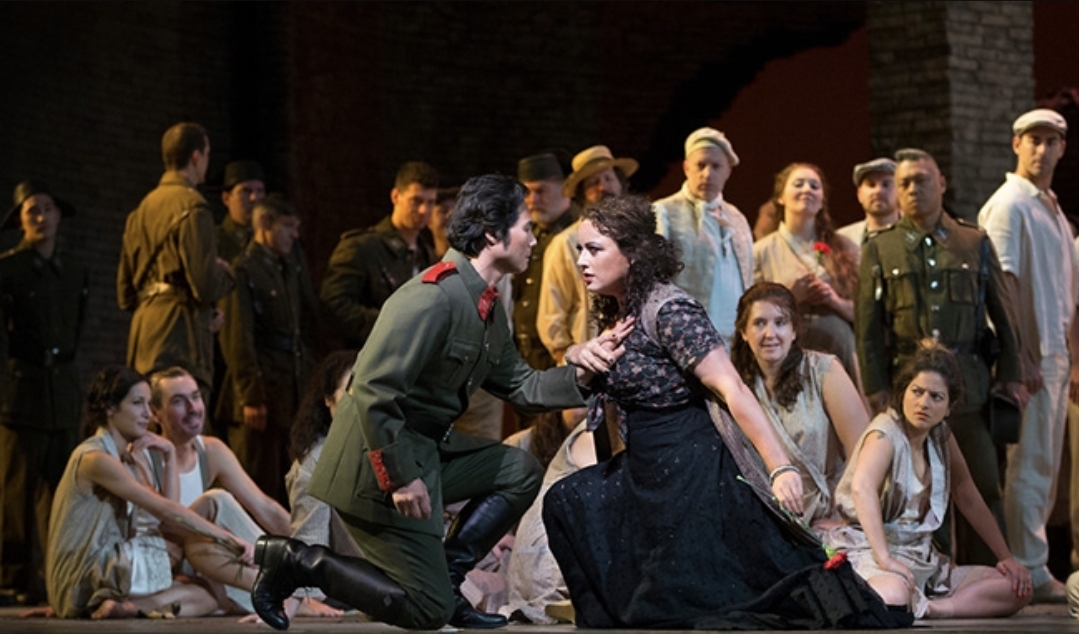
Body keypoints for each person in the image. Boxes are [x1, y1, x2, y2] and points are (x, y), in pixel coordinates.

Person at [250, 174, 612, 631]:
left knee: (518, 469)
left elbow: (522, 386)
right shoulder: (430, 296)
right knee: (427, 611)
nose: (534, 239)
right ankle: (296, 561)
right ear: (492, 235)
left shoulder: (485, 307)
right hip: (376, 466)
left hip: (426, 451)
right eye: (526, 228)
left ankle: (450, 579)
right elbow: (373, 390)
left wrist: (586, 370)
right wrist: (400, 477)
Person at [541, 195, 907, 629]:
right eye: (580, 249)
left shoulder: (670, 310)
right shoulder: (618, 310)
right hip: (646, 467)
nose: (581, 260)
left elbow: (733, 388)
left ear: (634, 253)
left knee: (722, 597)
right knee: (566, 501)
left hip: (691, 470)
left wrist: (779, 467)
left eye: (594, 249)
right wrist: (578, 353)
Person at [859, 147, 1024, 568]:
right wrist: (876, 387)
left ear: (942, 184)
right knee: (919, 491)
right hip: (908, 391)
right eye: (905, 183)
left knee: (983, 483)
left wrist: (1011, 373)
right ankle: (931, 574)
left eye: (922, 180)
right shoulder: (881, 247)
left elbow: (1003, 313)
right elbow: (868, 328)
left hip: (966, 388)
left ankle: (994, 573)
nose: (914, 189)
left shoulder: (973, 241)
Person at [825, 342, 1032, 619]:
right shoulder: (884, 433)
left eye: (936, 397)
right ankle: (910, 600)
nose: (923, 403)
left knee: (1017, 588)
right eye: (917, 392)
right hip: (872, 551)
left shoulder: (941, 435)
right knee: (892, 595)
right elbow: (862, 487)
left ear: (948, 407)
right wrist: (885, 558)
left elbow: (966, 493)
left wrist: (1006, 557)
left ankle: (935, 608)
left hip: (920, 557)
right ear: (903, 391)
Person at [45, 365, 255, 619]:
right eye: (137, 403)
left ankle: (129, 608)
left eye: (148, 404)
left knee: (212, 594)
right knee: (191, 531)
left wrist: (169, 455)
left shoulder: (125, 456)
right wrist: (229, 539)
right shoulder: (96, 458)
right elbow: (168, 513)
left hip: (99, 573)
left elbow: (168, 510)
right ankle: (279, 585)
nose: (147, 413)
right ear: (110, 408)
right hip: (83, 578)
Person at [978, 108, 1078, 602]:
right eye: (1033, 140)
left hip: (1054, 355)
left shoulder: (1049, 206)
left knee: (1045, 465)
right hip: (1032, 358)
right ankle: (1030, 570)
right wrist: (1020, 358)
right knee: (1030, 466)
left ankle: (1036, 565)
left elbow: (1064, 292)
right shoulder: (1010, 204)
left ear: (1062, 147)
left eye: (1050, 141)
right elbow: (1004, 284)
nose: (1042, 149)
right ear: (1016, 144)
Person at [0, 181, 89, 606]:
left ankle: (55, 575)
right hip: (21, 391)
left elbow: (77, 329)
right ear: (20, 220)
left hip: (62, 392)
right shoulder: (8, 269)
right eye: (32, 210)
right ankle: (12, 577)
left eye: (47, 208)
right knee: (16, 491)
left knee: (61, 492)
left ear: (58, 216)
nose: (41, 217)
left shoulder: (73, 271)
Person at [730, 281, 869, 525]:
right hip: (767, 518)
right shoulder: (738, 387)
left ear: (794, 330)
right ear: (743, 332)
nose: (770, 334)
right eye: (759, 323)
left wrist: (842, 517)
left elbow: (865, 455)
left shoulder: (824, 370)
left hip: (831, 516)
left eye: (780, 322)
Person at [117, 122, 235, 399]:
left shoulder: (140, 211)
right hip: (181, 337)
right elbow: (204, 286)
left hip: (144, 337)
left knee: (148, 417)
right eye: (207, 154)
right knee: (186, 417)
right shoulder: (193, 207)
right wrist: (226, 274)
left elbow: (125, 294)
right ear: (196, 157)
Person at [217, 194, 319, 505]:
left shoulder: (287, 269)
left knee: (285, 481)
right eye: (287, 226)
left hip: (288, 387)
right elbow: (238, 336)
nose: (294, 235)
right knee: (257, 478)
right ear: (264, 223)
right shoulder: (245, 269)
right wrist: (251, 394)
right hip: (263, 386)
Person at [753, 163, 861, 393]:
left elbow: (864, 311)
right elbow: (749, 313)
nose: (807, 190)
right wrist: (790, 297)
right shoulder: (761, 251)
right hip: (786, 355)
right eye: (798, 184)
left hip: (838, 350)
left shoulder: (844, 248)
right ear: (781, 197)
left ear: (822, 200)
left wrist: (834, 301)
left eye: (814, 186)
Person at [319, 160, 439, 349]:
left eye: (430, 202)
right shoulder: (361, 247)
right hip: (370, 355)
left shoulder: (428, 257)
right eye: (416, 201)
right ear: (396, 196)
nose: (424, 210)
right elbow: (334, 306)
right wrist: (393, 325)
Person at [537, 145, 636, 364]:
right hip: (589, 357)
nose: (603, 187)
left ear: (620, 183)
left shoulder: (639, 237)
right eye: (593, 183)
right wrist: (569, 363)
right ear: (582, 194)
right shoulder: (565, 243)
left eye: (609, 178)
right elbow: (552, 312)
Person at [654, 127, 753, 342]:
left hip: (735, 337)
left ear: (728, 171)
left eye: (716, 166)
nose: (707, 174)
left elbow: (748, 278)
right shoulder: (665, 212)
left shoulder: (737, 218)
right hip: (686, 336)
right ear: (686, 167)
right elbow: (653, 280)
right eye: (701, 165)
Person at [285, 350, 362, 560]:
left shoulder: (396, 446)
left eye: (367, 391)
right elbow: (311, 550)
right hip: (362, 576)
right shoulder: (316, 465)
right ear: (329, 399)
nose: (359, 402)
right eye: (350, 393)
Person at [513, 151, 577, 370]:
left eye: (541, 191)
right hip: (525, 356)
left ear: (565, 189)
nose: (532, 200)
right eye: (527, 192)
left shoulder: (577, 236)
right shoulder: (529, 234)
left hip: (560, 356)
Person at [836, 157, 899, 250]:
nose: (878, 191)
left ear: (900, 192)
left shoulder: (917, 236)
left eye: (886, 184)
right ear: (859, 194)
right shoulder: (842, 240)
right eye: (871, 185)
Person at [215, 160, 267, 264]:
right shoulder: (214, 241)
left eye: (260, 191)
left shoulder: (272, 238)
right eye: (246, 191)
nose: (254, 198)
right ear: (226, 198)